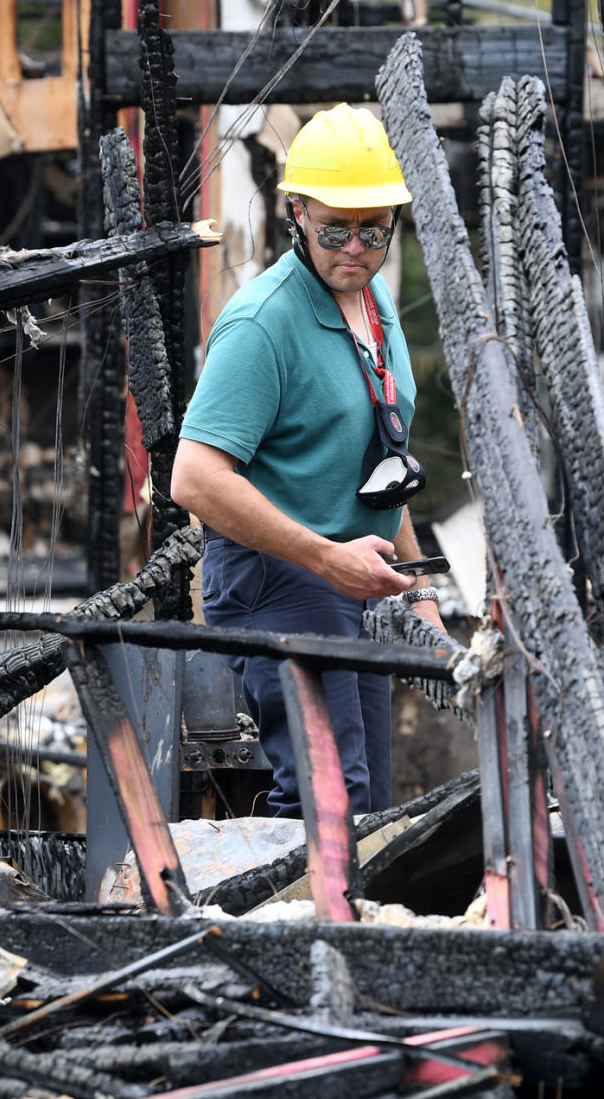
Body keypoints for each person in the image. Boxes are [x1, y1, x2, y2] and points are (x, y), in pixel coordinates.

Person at [171, 103, 443, 818]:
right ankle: (281, 927)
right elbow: (193, 478)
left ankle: (353, 925)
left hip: (351, 575)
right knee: (330, 795)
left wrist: (418, 593)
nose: (355, 247)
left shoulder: (372, 298)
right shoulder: (264, 323)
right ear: (296, 213)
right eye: (333, 229)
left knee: (371, 804)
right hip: (280, 574)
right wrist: (325, 558)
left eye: (373, 229)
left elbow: (381, 459)